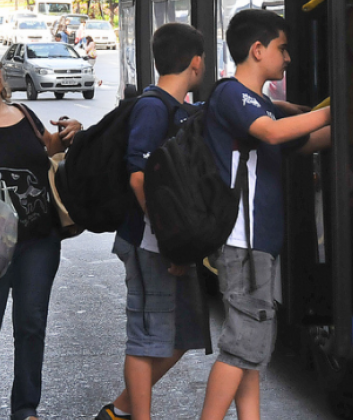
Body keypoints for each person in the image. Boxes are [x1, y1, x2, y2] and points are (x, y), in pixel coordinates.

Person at [199, 9, 332, 420]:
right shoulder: (233, 95)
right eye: (282, 48)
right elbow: (274, 133)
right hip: (242, 240)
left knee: (251, 350)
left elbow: (304, 142)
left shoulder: (258, 106)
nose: (289, 57)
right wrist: (336, 109)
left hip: (256, 243)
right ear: (257, 50)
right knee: (241, 346)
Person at [94, 23, 210, 420]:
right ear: (196, 62)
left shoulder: (179, 109)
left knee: (185, 334)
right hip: (148, 242)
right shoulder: (152, 107)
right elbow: (138, 176)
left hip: (162, 240)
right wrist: (169, 239)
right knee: (147, 339)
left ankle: (120, 411)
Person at [0, 75, 82, 420]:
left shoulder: (24, 114)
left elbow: (54, 149)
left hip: (37, 240)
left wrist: (74, 132)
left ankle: (25, 408)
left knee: (31, 323)